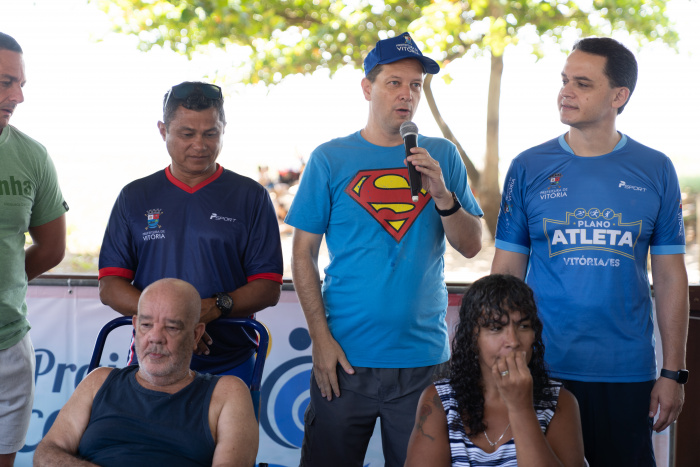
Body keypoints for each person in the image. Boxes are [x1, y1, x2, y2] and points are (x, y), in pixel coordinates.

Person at [286, 32, 483, 466]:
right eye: (394, 82)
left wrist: (443, 195)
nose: (407, 95)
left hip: (423, 362)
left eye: (415, 85)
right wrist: (321, 340)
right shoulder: (330, 158)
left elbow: (471, 246)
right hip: (345, 359)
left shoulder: (442, 155)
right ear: (366, 88)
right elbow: (302, 255)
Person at [491, 37, 689, 467]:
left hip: (627, 372)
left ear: (619, 96)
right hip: (542, 368)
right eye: (564, 80)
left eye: (582, 83)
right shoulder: (528, 166)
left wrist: (673, 372)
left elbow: (671, 275)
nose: (566, 91)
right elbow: (506, 270)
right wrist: (495, 352)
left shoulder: (656, 168)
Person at [98, 81, 283, 379]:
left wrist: (216, 307)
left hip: (231, 363)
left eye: (211, 133)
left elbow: (268, 286)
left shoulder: (251, 196)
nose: (200, 145)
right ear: (163, 130)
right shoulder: (135, 196)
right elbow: (110, 286)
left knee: (232, 428)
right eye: (187, 134)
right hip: (151, 361)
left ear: (223, 129)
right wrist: (173, 323)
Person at [34, 278, 258, 466]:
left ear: (196, 335)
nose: (155, 337)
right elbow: (46, 454)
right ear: (135, 326)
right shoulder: (99, 381)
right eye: (146, 325)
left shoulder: (227, 393)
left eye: (171, 327)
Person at [405, 274, 585, 466]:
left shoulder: (560, 402)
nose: (513, 342)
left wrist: (520, 408)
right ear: (473, 338)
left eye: (524, 326)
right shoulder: (439, 401)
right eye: (496, 328)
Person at [0, 32, 68, 466]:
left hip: (7, 346)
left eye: (21, 83)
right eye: (6, 82)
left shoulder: (32, 156)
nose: (18, 95)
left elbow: (51, 248)